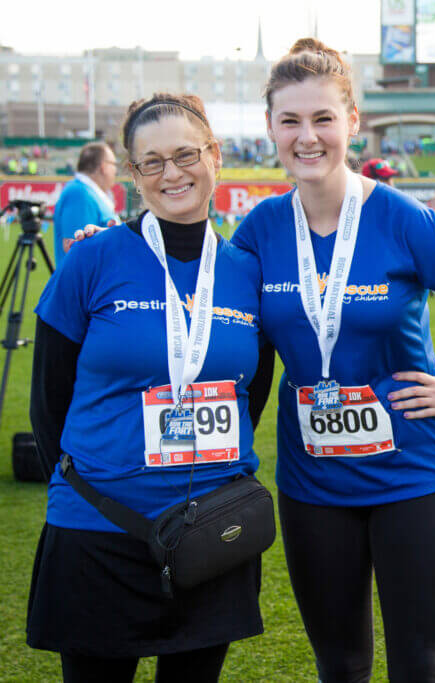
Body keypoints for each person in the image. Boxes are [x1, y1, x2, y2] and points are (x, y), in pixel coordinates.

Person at [231, 39, 435, 682]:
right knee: (341, 668)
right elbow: (202, 309)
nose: (307, 136)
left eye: (323, 118)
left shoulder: (404, 220)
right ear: (269, 126)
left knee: (418, 667)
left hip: (415, 476)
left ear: (352, 122)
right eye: (290, 120)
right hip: (313, 485)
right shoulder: (259, 231)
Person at [27, 94, 271, 682]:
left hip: (212, 528)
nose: (172, 174)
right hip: (98, 527)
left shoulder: (245, 271)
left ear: (213, 155)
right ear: (132, 175)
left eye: (185, 154)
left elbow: (251, 391)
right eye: (151, 161)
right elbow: (48, 399)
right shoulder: (93, 259)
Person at [52, 141, 119, 267]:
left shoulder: (88, 192)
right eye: (114, 164)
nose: (116, 170)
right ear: (103, 167)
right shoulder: (79, 193)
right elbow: (77, 253)